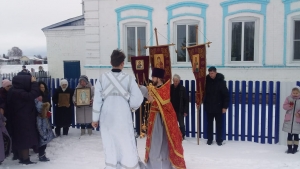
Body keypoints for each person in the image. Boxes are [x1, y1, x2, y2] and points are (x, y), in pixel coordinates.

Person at [92, 49, 144, 169]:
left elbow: (97, 100)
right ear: (122, 63)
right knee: (125, 144)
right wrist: (130, 105)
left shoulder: (101, 78)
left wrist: (95, 119)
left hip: (107, 118)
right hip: (123, 117)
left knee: (110, 144)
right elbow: (138, 98)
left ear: (111, 62)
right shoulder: (129, 79)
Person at [141, 68, 186, 169]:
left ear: (159, 78)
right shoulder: (154, 88)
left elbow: (160, 102)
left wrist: (153, 99)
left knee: (163, 144)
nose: (152, 79)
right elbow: (148, 93)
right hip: (154, 120)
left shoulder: (164, 89)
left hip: (162, 122)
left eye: (153, 77)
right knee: (154, 144)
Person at [8, 75, 40, 165]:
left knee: (22, 139)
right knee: (24, 139)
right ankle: (25, 159)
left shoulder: (14, 90)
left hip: (20, 119)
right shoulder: (18, 92)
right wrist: (34, 83)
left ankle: (23, 158)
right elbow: (33, 95)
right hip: (23, 120)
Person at [203, 66, 229, 146]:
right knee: (209, 124)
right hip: (209, 106)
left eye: (212, 73)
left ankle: (219, 140)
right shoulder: (206, 81)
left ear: (215, 72)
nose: (211, 75)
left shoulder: (221, 82)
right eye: (210, 73)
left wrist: (224, 107)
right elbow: (203, 93)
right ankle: (210, 139)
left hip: (218, 107)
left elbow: (226, 95)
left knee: (219, 125)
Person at [170, 74, 189, 140]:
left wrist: (185, 110)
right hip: (172, 109)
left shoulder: (182, 88)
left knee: (181, 123)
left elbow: (186, 100)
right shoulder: (170, 88)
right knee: (172, 123)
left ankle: (182, 135)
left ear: (179, 81)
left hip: (180, 109)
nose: (175, 82)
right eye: (174, 81)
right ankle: (173, 135)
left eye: (177, 81)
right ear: (173, 81)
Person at [282, 86, 300, 154]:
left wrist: (299, 113)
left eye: (296, 93)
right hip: (289, 120)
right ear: (291, 92)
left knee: (296, 135)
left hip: (297, 120)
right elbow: (284, 106)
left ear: (299, 93)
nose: (295, 94)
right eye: (294, 93)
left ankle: (295, 149)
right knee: (289, 135)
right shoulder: (288, 98)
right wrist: (289, 106)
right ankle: (289, 148)